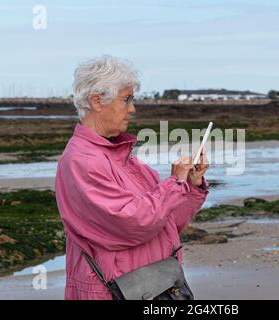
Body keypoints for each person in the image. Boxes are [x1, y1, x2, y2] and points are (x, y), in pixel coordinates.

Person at [55, 55, 209, 299]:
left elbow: (166, 223)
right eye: (126, 99)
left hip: (156, 285)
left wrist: (190, 184)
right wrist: (174, 185)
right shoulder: (81, 161)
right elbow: (131, 224)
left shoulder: (126, 160)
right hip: (113, 291)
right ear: (97, 101)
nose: (132, 109)